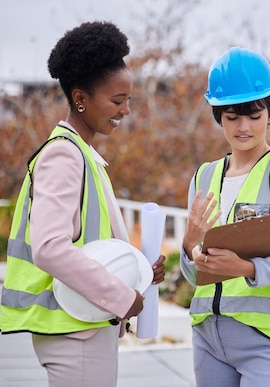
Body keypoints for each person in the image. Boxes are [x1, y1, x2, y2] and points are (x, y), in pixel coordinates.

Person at [0, 21, 166, 387]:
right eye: (117, 101)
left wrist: (138, 271)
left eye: (128, 100)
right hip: (75, 332)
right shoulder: (64, 155)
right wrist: (122, 297)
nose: (125, 110)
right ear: (80, 99)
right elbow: (50, 249)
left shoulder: (82, 153)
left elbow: (88, 244)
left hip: (83, 325)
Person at [179, 46, 270, 387]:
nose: (244, 127)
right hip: (208, 337)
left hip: (267, 339)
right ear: (218, 116)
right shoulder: (204, 176)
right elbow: (194, 274)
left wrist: (245, 268)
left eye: (254, 115)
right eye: (232, 117)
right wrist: (188, 246)